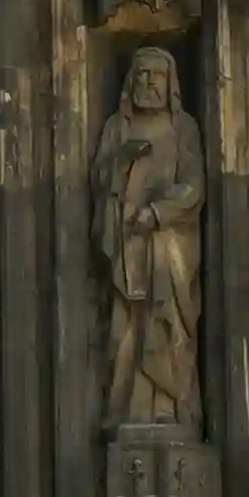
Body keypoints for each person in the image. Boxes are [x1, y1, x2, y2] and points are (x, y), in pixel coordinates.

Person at [91, 48, 205, 425]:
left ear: (171, 83)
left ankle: (168, 411)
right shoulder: (116, 127)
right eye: (141, 74)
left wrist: (156, 214)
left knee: (167, 324)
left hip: (169, 249)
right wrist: (120, 163)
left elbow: (194, 186)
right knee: (124, 332)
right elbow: (98, 182)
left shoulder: (183, 127)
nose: (149, 81)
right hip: (127, 247)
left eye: (157, 74)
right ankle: (127, 410)